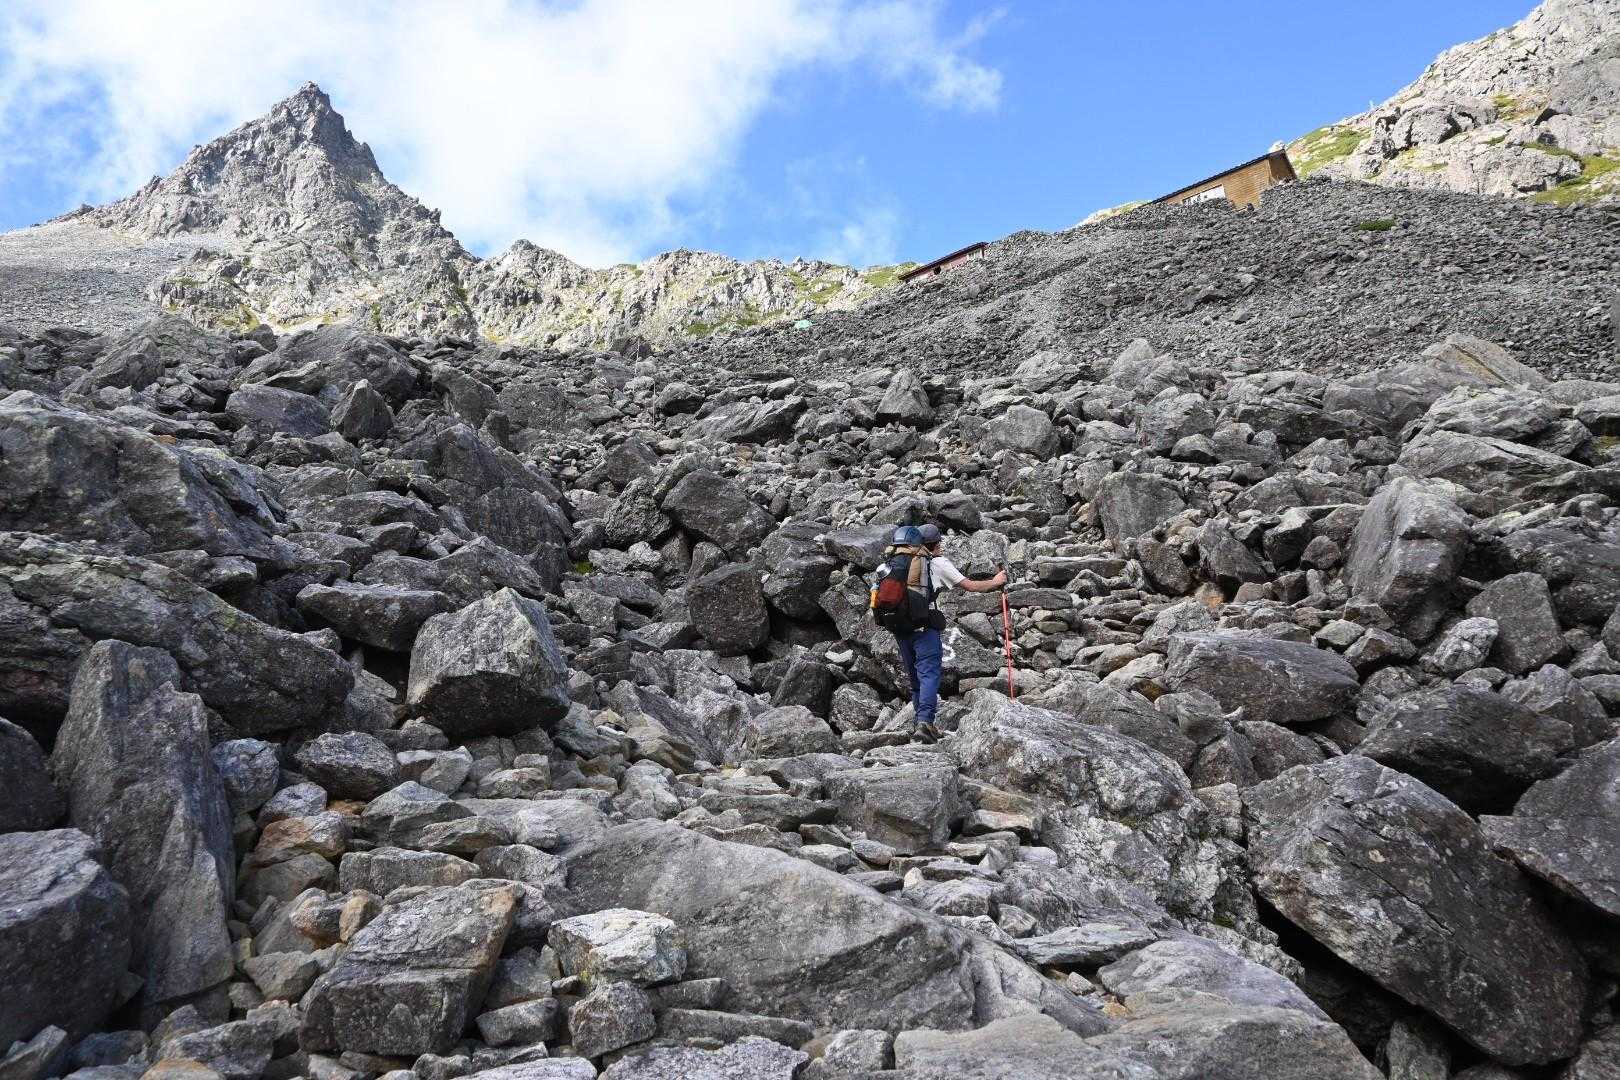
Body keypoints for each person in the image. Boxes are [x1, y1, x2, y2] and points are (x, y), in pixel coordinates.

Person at [885, 522, 1006, 740]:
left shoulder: (895, 563)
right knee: (929, 674)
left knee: (915, 679)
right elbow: (970, 586)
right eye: (939, 543)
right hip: (924, 628)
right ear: (935, 545)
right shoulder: (937, 563)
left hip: (900, 627)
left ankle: (920, 724)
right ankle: (925, 723)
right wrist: (996, 581)